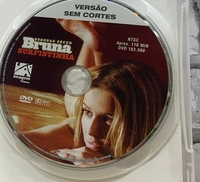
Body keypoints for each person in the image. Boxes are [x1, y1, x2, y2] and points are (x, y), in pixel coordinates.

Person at [22, 20, 167, 164]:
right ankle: (94, 45)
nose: (91, 131)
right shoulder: (77, 128)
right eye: (87, 112)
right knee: (76, 98)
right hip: (83, 102)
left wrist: (102, 166)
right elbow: (18, 142)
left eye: (108, 119)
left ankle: (96, 47)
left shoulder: (160, 142)